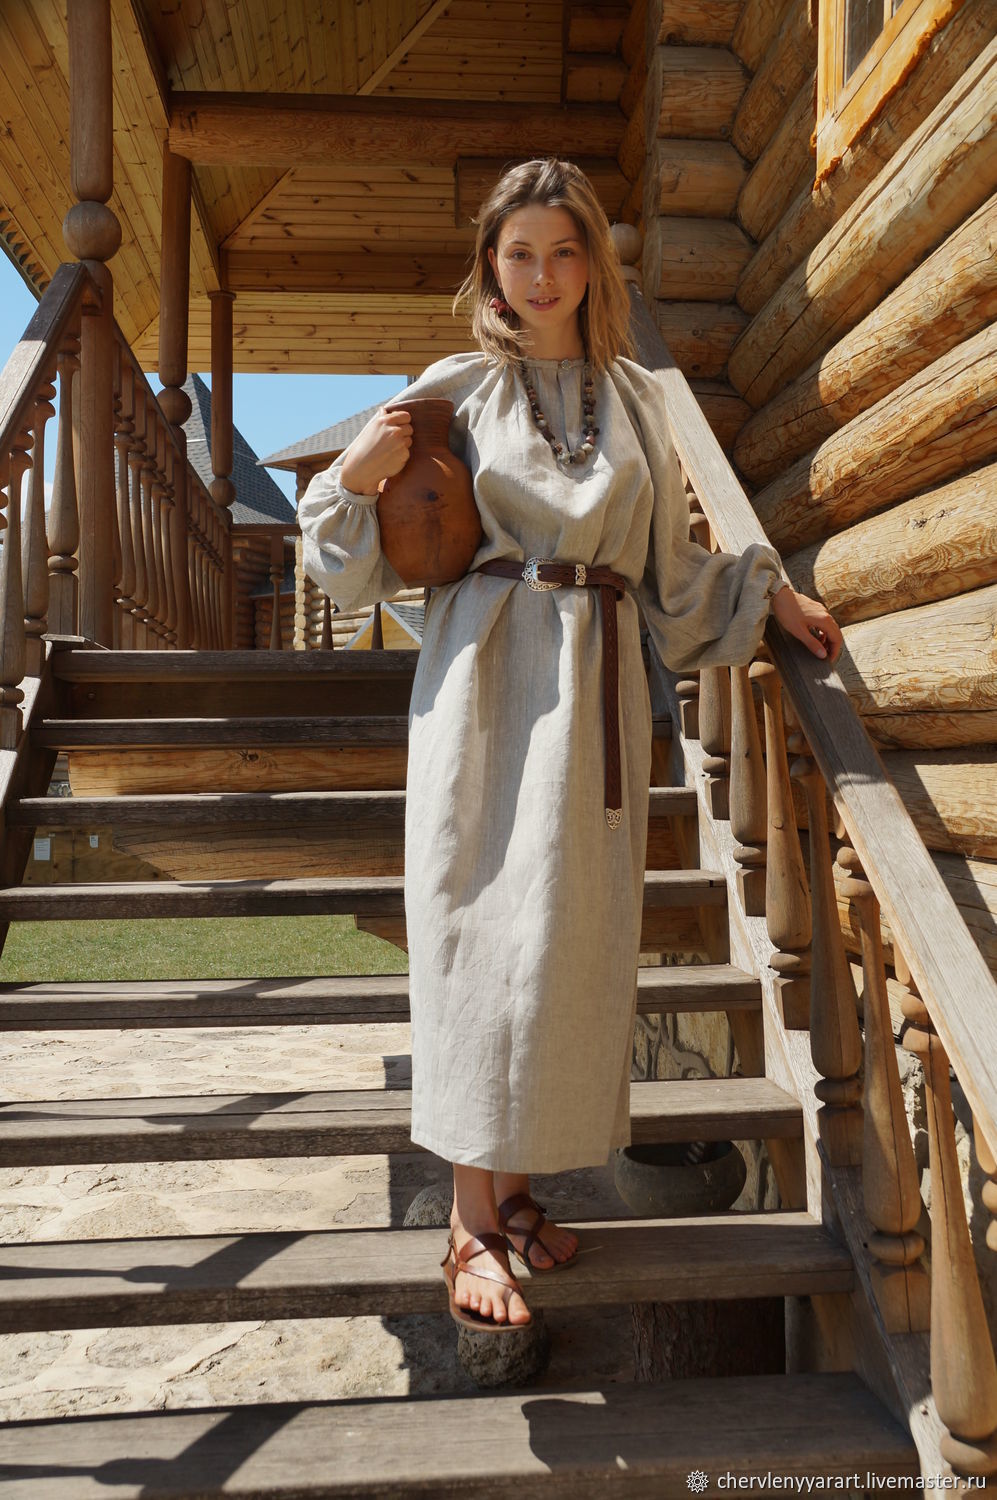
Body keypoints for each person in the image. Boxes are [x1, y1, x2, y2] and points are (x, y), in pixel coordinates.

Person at [298, 159, 842, 1336]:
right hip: (484, 678)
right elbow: (344, 558)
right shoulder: (451, 391)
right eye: (517, 253)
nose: (540, 276)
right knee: (477, 935)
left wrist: (773, 599)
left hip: (595, 687)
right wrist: (351, 472)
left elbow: (672, 574)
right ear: (490, 266)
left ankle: (523, 1190)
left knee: (564, 947)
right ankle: (467, 1221)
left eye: (561, 251)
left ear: (591, 261)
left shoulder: (636, 397)